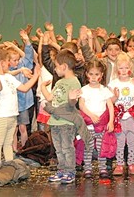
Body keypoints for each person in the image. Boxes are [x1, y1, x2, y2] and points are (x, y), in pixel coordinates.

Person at [0, 48, 39, 176]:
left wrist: (35, 76)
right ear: (1, 63)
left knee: (8, 142)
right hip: (1, 115)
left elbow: (24, 88)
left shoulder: (8, 76)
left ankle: (9, 164)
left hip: (12, 114)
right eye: (8, 61)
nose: (9, 64)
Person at [39, 50, 82, 184]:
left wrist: (71, 100)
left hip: (67, 121)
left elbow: (73, 103)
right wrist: (42, 86)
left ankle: (70, 171)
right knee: (58, 148)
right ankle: (62, 169)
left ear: (64, 66)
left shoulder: (74, 82)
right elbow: (50, 98)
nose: (55, 69)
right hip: (55, 121)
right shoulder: (59, 83)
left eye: (56, 66)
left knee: (67, 147)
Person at [79, 59, 114, 179]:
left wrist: (111, 121)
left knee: (101, 146)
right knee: (88, 146)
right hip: (89, 124)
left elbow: (110, 106)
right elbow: (81, 105)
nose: (94, 77)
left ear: (102, 75)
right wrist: (91, 115)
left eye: (97, 74)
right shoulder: (84, 90)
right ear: (87, 74)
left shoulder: (104, 90)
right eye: (91, 74)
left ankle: (102, 167)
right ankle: (87, 168)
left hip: (102, 124)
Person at [109, 53, 134, 176]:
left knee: (132, 141)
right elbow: (110, 102)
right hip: (119, 116)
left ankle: (132, 163)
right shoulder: (113, 83)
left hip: (131, 116)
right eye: (121, 68)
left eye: (126, 68)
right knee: (120, 141)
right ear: (117, 69)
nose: (124, 71)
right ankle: (119, 164)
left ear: (130, 69)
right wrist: (115, 97)